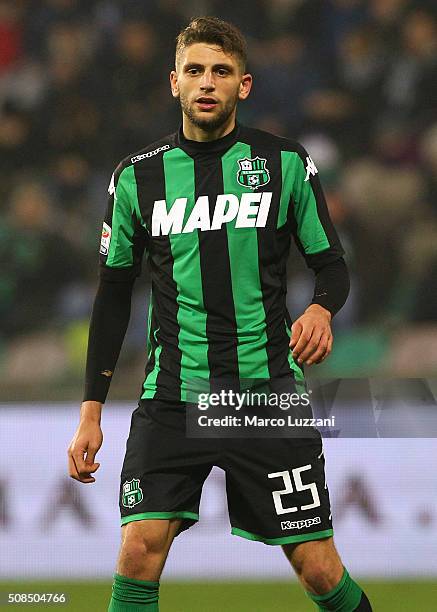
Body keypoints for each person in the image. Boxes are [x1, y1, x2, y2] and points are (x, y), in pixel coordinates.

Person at [68, 16, 372, 612]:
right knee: (137, 551)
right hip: (173, 395)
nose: (208, 83)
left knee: (317, 569)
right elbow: (111, 298)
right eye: (196, 70)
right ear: (174, 82)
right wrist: (91, 409)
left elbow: (332, 264)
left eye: (222, 72)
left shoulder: (283, 163)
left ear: (245, 85)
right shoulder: (137, 178)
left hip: (266, 394)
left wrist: (322, 308)